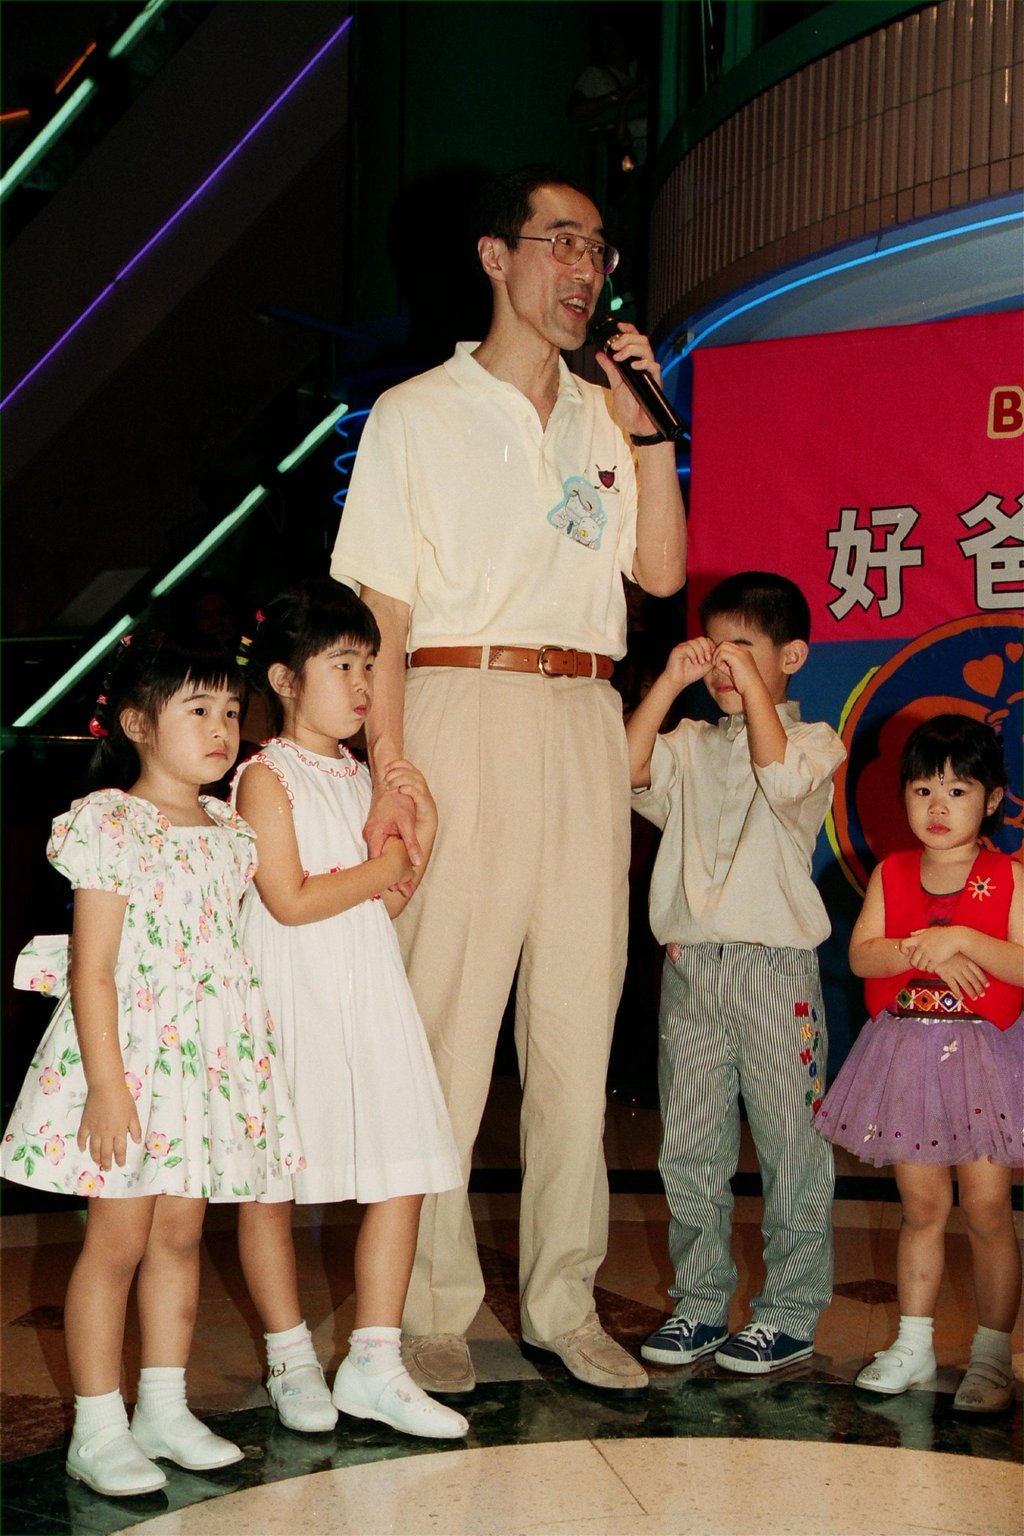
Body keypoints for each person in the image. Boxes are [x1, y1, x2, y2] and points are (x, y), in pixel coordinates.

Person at [330, 164, 686, 1397]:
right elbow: (380, 603)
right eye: (562, 243)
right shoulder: (415, 414)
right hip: (460, 701)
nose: (585, 270)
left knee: (580, 1028)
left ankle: (563, 1298)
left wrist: (644, 431)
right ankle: (426, 1301)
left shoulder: (608, 412)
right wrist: (391, 756)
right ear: (497, 257)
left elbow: (657, 574)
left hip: (584, 713)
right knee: (446, 1025)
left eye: (599, 251)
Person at [1, 626, 301, 1497]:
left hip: (204, 1066)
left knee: (179, 1233)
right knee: (118, 1240)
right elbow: (93, 967)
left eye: (232, 711)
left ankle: (162, 1406)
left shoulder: (229, 831)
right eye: (197, 709)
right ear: (137, 723)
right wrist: (106, 1086)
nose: (222, 728)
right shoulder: (109, 824)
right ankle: (97, 1425)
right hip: (131, 1063)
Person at [231, 580, 468, 1440]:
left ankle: (375, 1357)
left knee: (399, 1170)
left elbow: (385, 905)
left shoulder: (366, 775)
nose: (363, 683)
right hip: (292, 996)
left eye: (369, 663)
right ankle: (292, 1357)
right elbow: (289, 900)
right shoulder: (264, 774)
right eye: (342, 664)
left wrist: (420, 843)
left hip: (367, 990)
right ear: (288, 679)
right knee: (273, 1190)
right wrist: (388, 866)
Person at [625, 572, 845, 1374]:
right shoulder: (688, 745)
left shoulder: (815, 742)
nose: (725, 667)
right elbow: (623, 770)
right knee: (689, 1148)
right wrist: (667, 686)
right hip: (693, 972)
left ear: (792, 656)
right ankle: (701, 1303)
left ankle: (789, 1310)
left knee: (792, 1148)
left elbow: (783, 780)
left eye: (745, 651)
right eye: (717, 650)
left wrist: (751, 689)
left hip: (774, 974)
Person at [815, 715, 1022, 1413]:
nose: (938, 807)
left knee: (990, 1208)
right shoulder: (892, 872)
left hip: (984, 1058)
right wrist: (921, 947)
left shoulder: (1007, 876)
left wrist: (962, 937)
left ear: (992, 799)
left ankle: (992, 1355)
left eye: (958, 790)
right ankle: (913, 1341)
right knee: (922, 1207)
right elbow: (862, 954)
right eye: (923, 789)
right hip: (907, 1055)